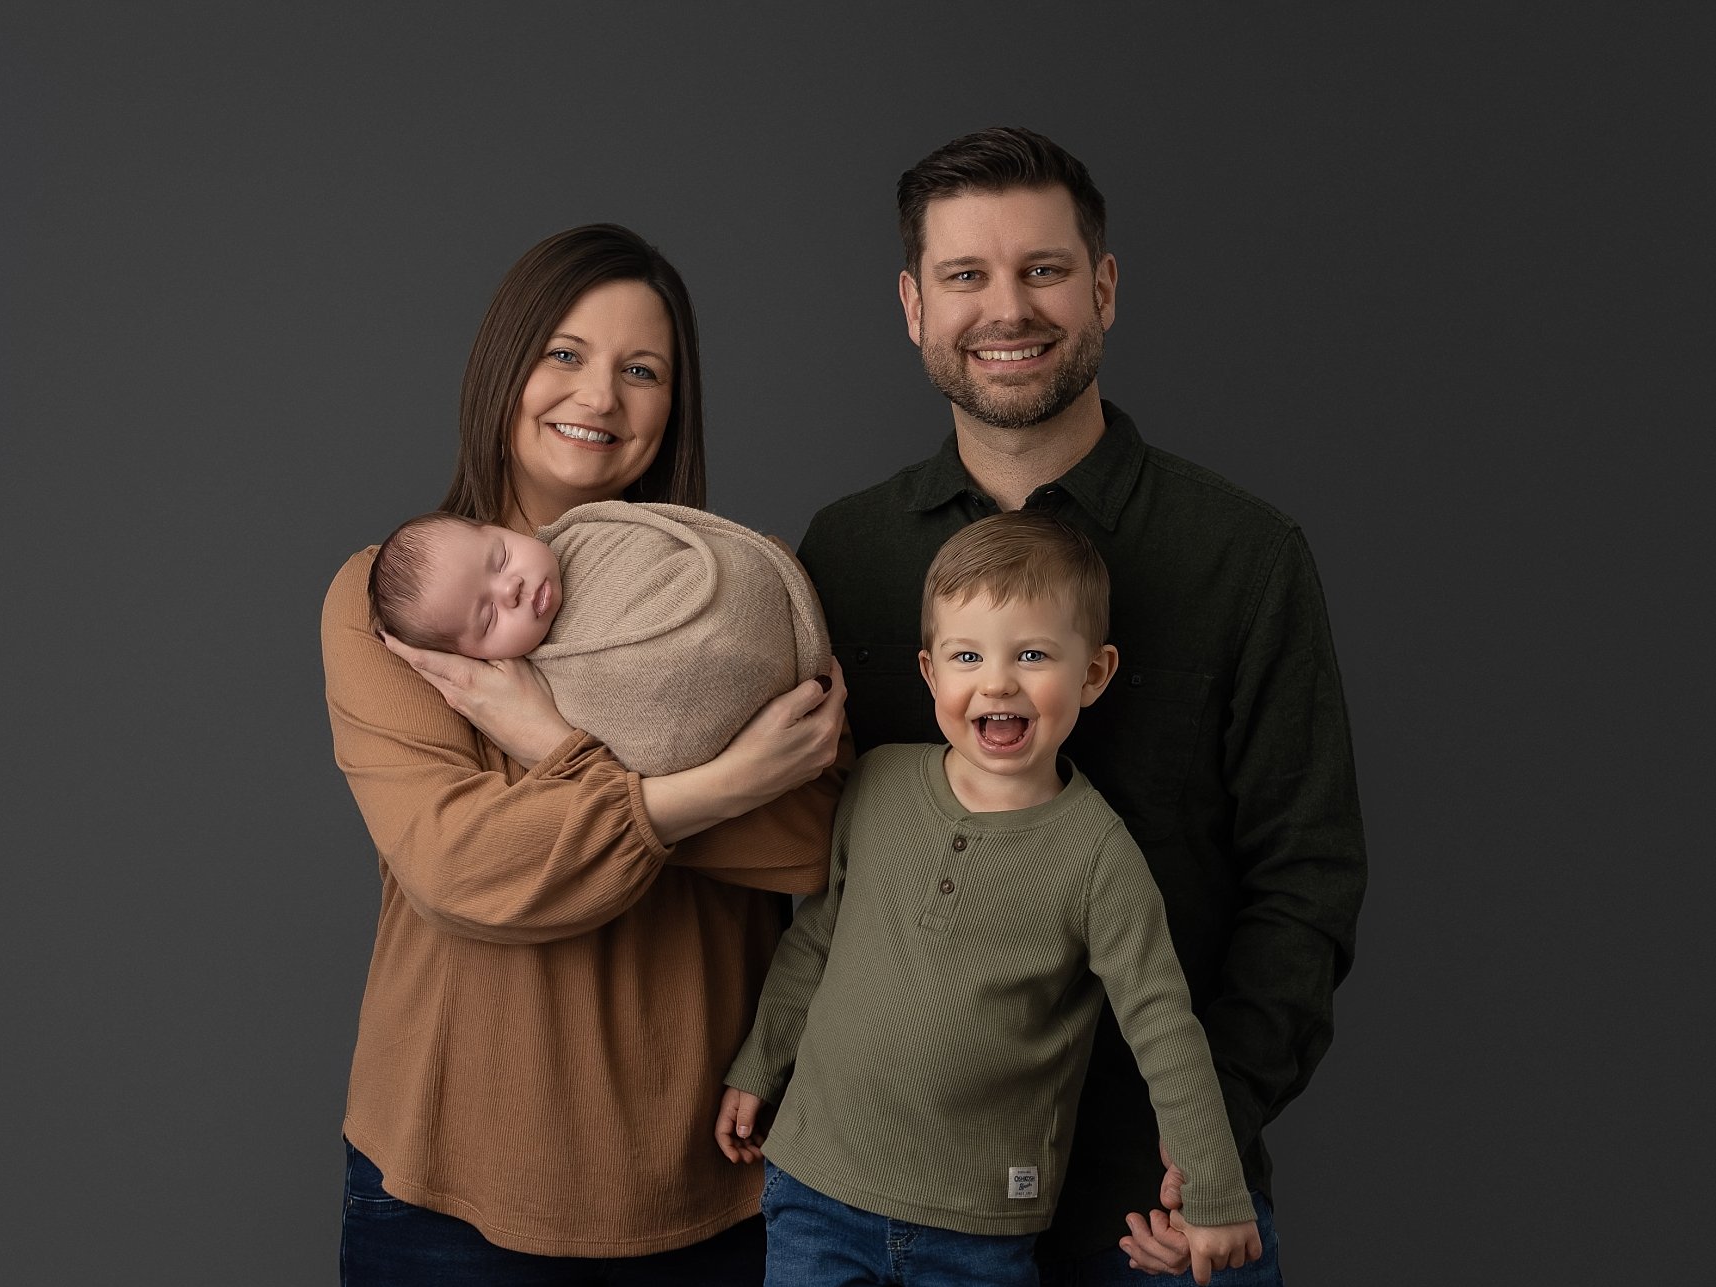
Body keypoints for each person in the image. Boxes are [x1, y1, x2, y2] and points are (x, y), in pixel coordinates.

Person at [796, 127, 1367, 1285]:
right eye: (965, 276)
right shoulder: (845, 554)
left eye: (1043, 270)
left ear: (1101, 287)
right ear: (913, 305)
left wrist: (1207, 1127)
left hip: (1148, 1205)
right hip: (896, 1204)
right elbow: (817, 869)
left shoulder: (1242, 556)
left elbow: (1306, 876)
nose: (1006, 309)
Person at [321, 223, 847, 1283]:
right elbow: (462, 870)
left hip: (704, 1176)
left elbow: (808, 843)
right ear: (503, 365)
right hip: (443, 1181)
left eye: (640, 370)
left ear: (673, 404)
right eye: (564, 354)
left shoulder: (737, 593)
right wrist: (718, 785)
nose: (599, 397)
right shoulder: (387, 604)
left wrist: (548, 746)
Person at [716, 512, 1262, 1287]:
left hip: (977, 1222)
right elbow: (818, 936)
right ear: (931, 672)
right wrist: (758, 1063)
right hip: (815, 1184)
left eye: (1032, 654)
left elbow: (1164, 1027)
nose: (997, 680)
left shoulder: (1098, 855)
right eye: (966, 654)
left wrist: (1214, 1189)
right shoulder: (877, 782)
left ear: (1094, 673)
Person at [366, 499, 830, 775]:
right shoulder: (535, 692)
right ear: (474, 659)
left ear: (503, 529)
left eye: (501, 557)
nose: (513, 589)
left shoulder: (590, 534)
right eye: (487, 618)